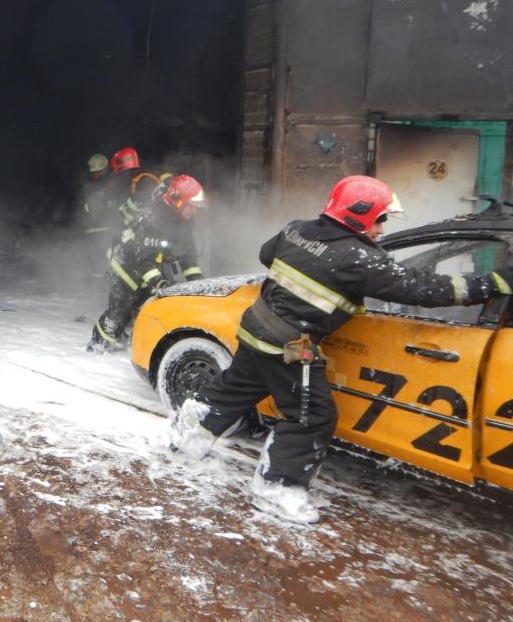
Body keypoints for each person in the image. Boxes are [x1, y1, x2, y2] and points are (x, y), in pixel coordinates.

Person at [168, 175, 513, 524]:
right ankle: (276, 488)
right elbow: (422, 288)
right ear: (359, 215)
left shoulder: (296, 230)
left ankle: (186, 440)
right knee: (312, 416)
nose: (381, 229)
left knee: (234, 390)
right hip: (291, 345)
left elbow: (266, 254)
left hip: (256, 327)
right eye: (379, 219)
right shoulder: (359, 258)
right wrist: (494, 282)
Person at [88, 174, 206, 353]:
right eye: (192, 205)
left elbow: (188, 256)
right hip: (126, 265)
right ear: (178, 201)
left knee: (146, 307)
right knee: (121, 310)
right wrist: (159, 283)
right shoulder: (154, 219)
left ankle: (126, 340)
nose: (194, 211)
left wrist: (198, 282)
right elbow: (144, 258)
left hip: (147, 267)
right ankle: (97, 345)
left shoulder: (185, 222)